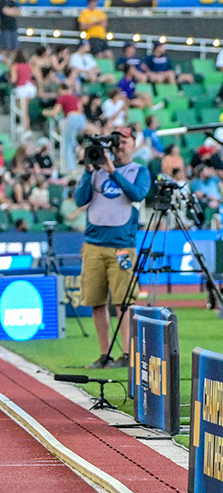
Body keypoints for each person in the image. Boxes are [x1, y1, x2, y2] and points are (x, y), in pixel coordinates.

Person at [73, 124, 151, 369]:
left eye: (124, 141)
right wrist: (89, 170)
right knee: (96, 301)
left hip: (121, 245)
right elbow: (80, 199)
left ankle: (127, 355)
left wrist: (112, 171)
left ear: (133, 143)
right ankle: (104, 354)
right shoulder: (96, 169)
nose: (119, 145)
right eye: (116, 141)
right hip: (94, 243)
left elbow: (137, 194)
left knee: (123, 302)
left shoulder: (139, 170)